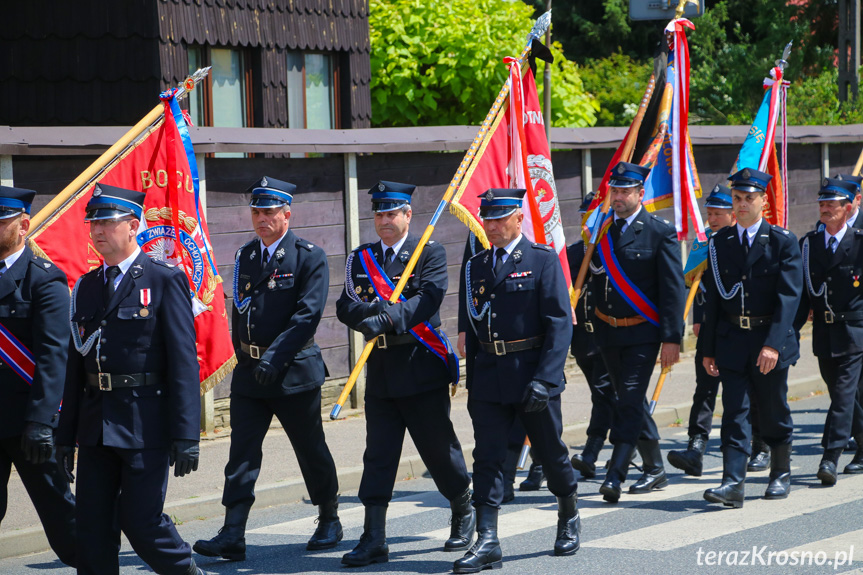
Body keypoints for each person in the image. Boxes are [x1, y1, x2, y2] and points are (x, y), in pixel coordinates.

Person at [56, 183, 205, 574]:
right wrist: (63, 437)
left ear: (133, 225)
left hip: (145, 423)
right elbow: (76, 366)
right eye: (93, 222)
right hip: (94, 425)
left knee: (142, 524)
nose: (97, 230)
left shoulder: (163, 278)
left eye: (106, 221)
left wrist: (187, 434)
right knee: (91, 531)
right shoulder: (86, 286)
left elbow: (183, 362)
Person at [194, 176, 341, 561]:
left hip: (292, 371)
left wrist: (275, 358)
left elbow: (307, 316)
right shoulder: (246, 255)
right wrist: (244, 356)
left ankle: (329, 516)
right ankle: (233, 531)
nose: (261, 218)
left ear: (287, 214)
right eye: (256, 211)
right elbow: (239, 310)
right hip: (251, 372)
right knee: (241, 453)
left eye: (269, 211)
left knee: (310, 450)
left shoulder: (309, 256)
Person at [336, 181, 472, 567]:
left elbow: (428, 298)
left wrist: (387, 317)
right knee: (378, 454)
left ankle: (462, 508)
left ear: (408, 215)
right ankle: (374, 537)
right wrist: (371, 316)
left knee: (438, 450)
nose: (385, 220)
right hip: (379, 369)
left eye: (392, 213)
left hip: (420, 364)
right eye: (379, 214)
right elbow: (345, 306)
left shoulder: (428, 251)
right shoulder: (360, 258)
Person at [459, 188, 579, 573]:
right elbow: (473, 323)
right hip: (490, 377)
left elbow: (560, 325)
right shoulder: (476, 265)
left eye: (499, 219)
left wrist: (546, 379)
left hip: (531, 374)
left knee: (550, 451)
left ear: (517, 219)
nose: (491, 226)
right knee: (487, 458)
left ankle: (568, 514)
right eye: (487, 219)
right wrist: (472, 381)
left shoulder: (541, 261)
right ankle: (488, 539)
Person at [700, 168, 802, 508]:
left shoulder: (782, 241)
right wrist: (708, 349)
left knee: (773, 410)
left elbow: (789, 297)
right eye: (737, 198)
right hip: (731, 339)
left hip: (768, 340)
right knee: (734, 412)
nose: (742, 204)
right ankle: (733, 483)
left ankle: (781, 472)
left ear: (763, 201)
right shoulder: (720, 242)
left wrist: (773, 344)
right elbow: (713, 300)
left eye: (749, 198)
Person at [588, 162, 685, 503]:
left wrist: (672, 338)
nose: (618, 197)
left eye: (625, 191)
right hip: (609, 333)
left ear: (641, 194)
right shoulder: (600, 231)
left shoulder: (659, 231)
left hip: (644, 334)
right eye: (614, 190)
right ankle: (655, 468)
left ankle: (615, 474)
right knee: (629, 402)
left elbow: (673, 289)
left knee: (628, 401)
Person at [0, 186, 76, 567]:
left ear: (23, 225)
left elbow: (52, 357)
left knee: (62, 516)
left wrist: (42, 421)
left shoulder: (44, 279)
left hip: (28, 422)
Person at [457, 232, 543, 500]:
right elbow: (468, 283)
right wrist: (464, 328)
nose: (491, 222)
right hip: (489, 350)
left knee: (537, 426)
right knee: (490, 431)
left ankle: (539, 470)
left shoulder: (528, 216)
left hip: (527, 348)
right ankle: (501, 482)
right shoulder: (476, 228)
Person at [794, 178, 863, 485]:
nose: (824, 209)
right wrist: (787, 333)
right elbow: (799, 293)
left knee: (844, 395)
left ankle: (830, 457)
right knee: (843, 395)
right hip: (824, 331)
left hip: (855, 331)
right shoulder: (809, 244)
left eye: (831, 205)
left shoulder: (860, 242)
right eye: (822, 204)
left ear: (848, 208)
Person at [667, 185, 736, 477]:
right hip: (709, 326)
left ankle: (758, 444)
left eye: (719, 213)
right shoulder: (703, 241)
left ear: (733, 214)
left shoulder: (739, 243)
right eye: (710, 213)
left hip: (736, 327)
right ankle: (696, 447)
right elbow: (696, 283)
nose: (713, 218)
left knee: (743, 392)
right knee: (704, 388)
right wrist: (697, 315)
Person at [567, 192, 615, 479]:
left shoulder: (612, 252)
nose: (589, 224)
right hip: (583, 340)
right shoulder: (575, 253)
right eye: (586, 218)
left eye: (595, 218)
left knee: (604, 393)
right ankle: (630, 443)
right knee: (609, 395)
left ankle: (593, 449)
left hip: (609, 337)